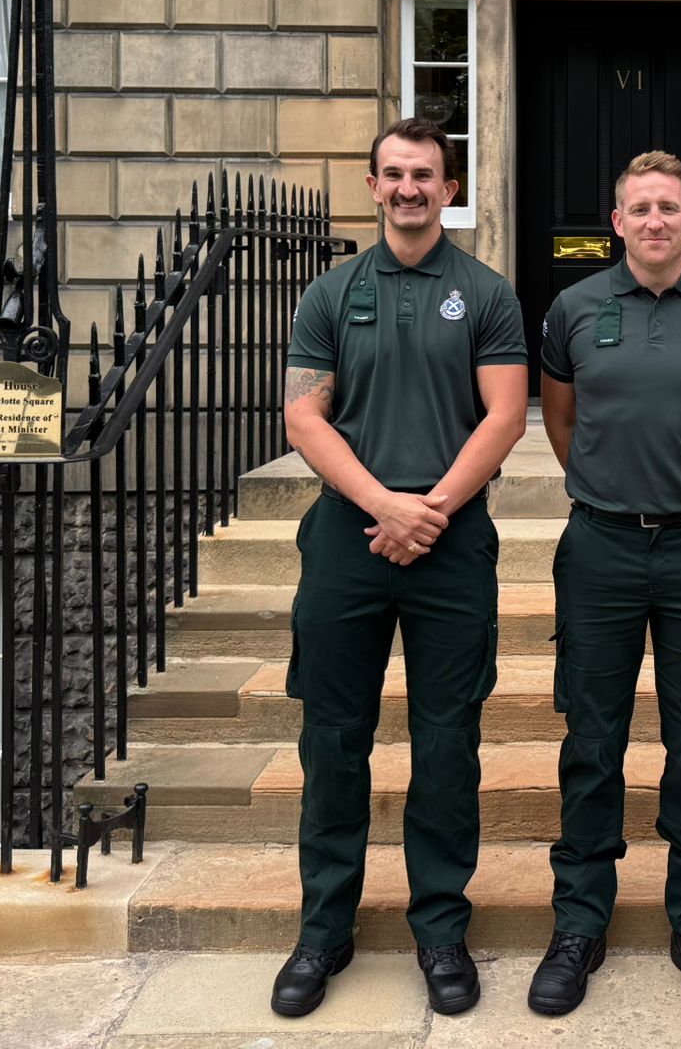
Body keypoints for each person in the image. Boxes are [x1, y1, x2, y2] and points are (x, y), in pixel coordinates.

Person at [272, 117, 527, 1019]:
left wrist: (429, 512)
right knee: (334, 741)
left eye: (426, 175)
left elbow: (502, 418)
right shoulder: (332, 293)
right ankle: (323, 931)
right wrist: (384, 506)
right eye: (394, 175)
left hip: (451, 541)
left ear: (449, 190)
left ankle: (441, 930)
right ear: (373, 187)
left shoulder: (488, 294)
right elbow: (306, 418)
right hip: (351, 537)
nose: (410, 188)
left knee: (448, 744)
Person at [527, 150, 681, 1018]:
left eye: (671, 206)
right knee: (592, 739)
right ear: (617, 221)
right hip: (600, 550)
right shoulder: (573, 308)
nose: (656, 220)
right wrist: (613, 486)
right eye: (640, 208)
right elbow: (561, 419)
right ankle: (579, 922)